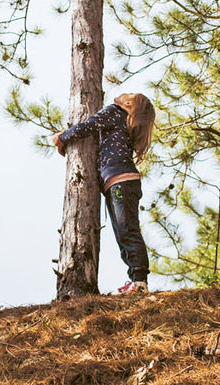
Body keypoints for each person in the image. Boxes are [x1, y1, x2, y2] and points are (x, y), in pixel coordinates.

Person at [52, 93, 155, 294]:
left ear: (129, 103)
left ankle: (140, 281)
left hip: (121, 182)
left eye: (129, 94)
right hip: (121, 182)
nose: (123, 93)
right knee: (123, 233)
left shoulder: (114, 112)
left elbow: (88, 125)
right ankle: (136, 279)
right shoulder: (123, 121)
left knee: (127, 231)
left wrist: (62, 138)